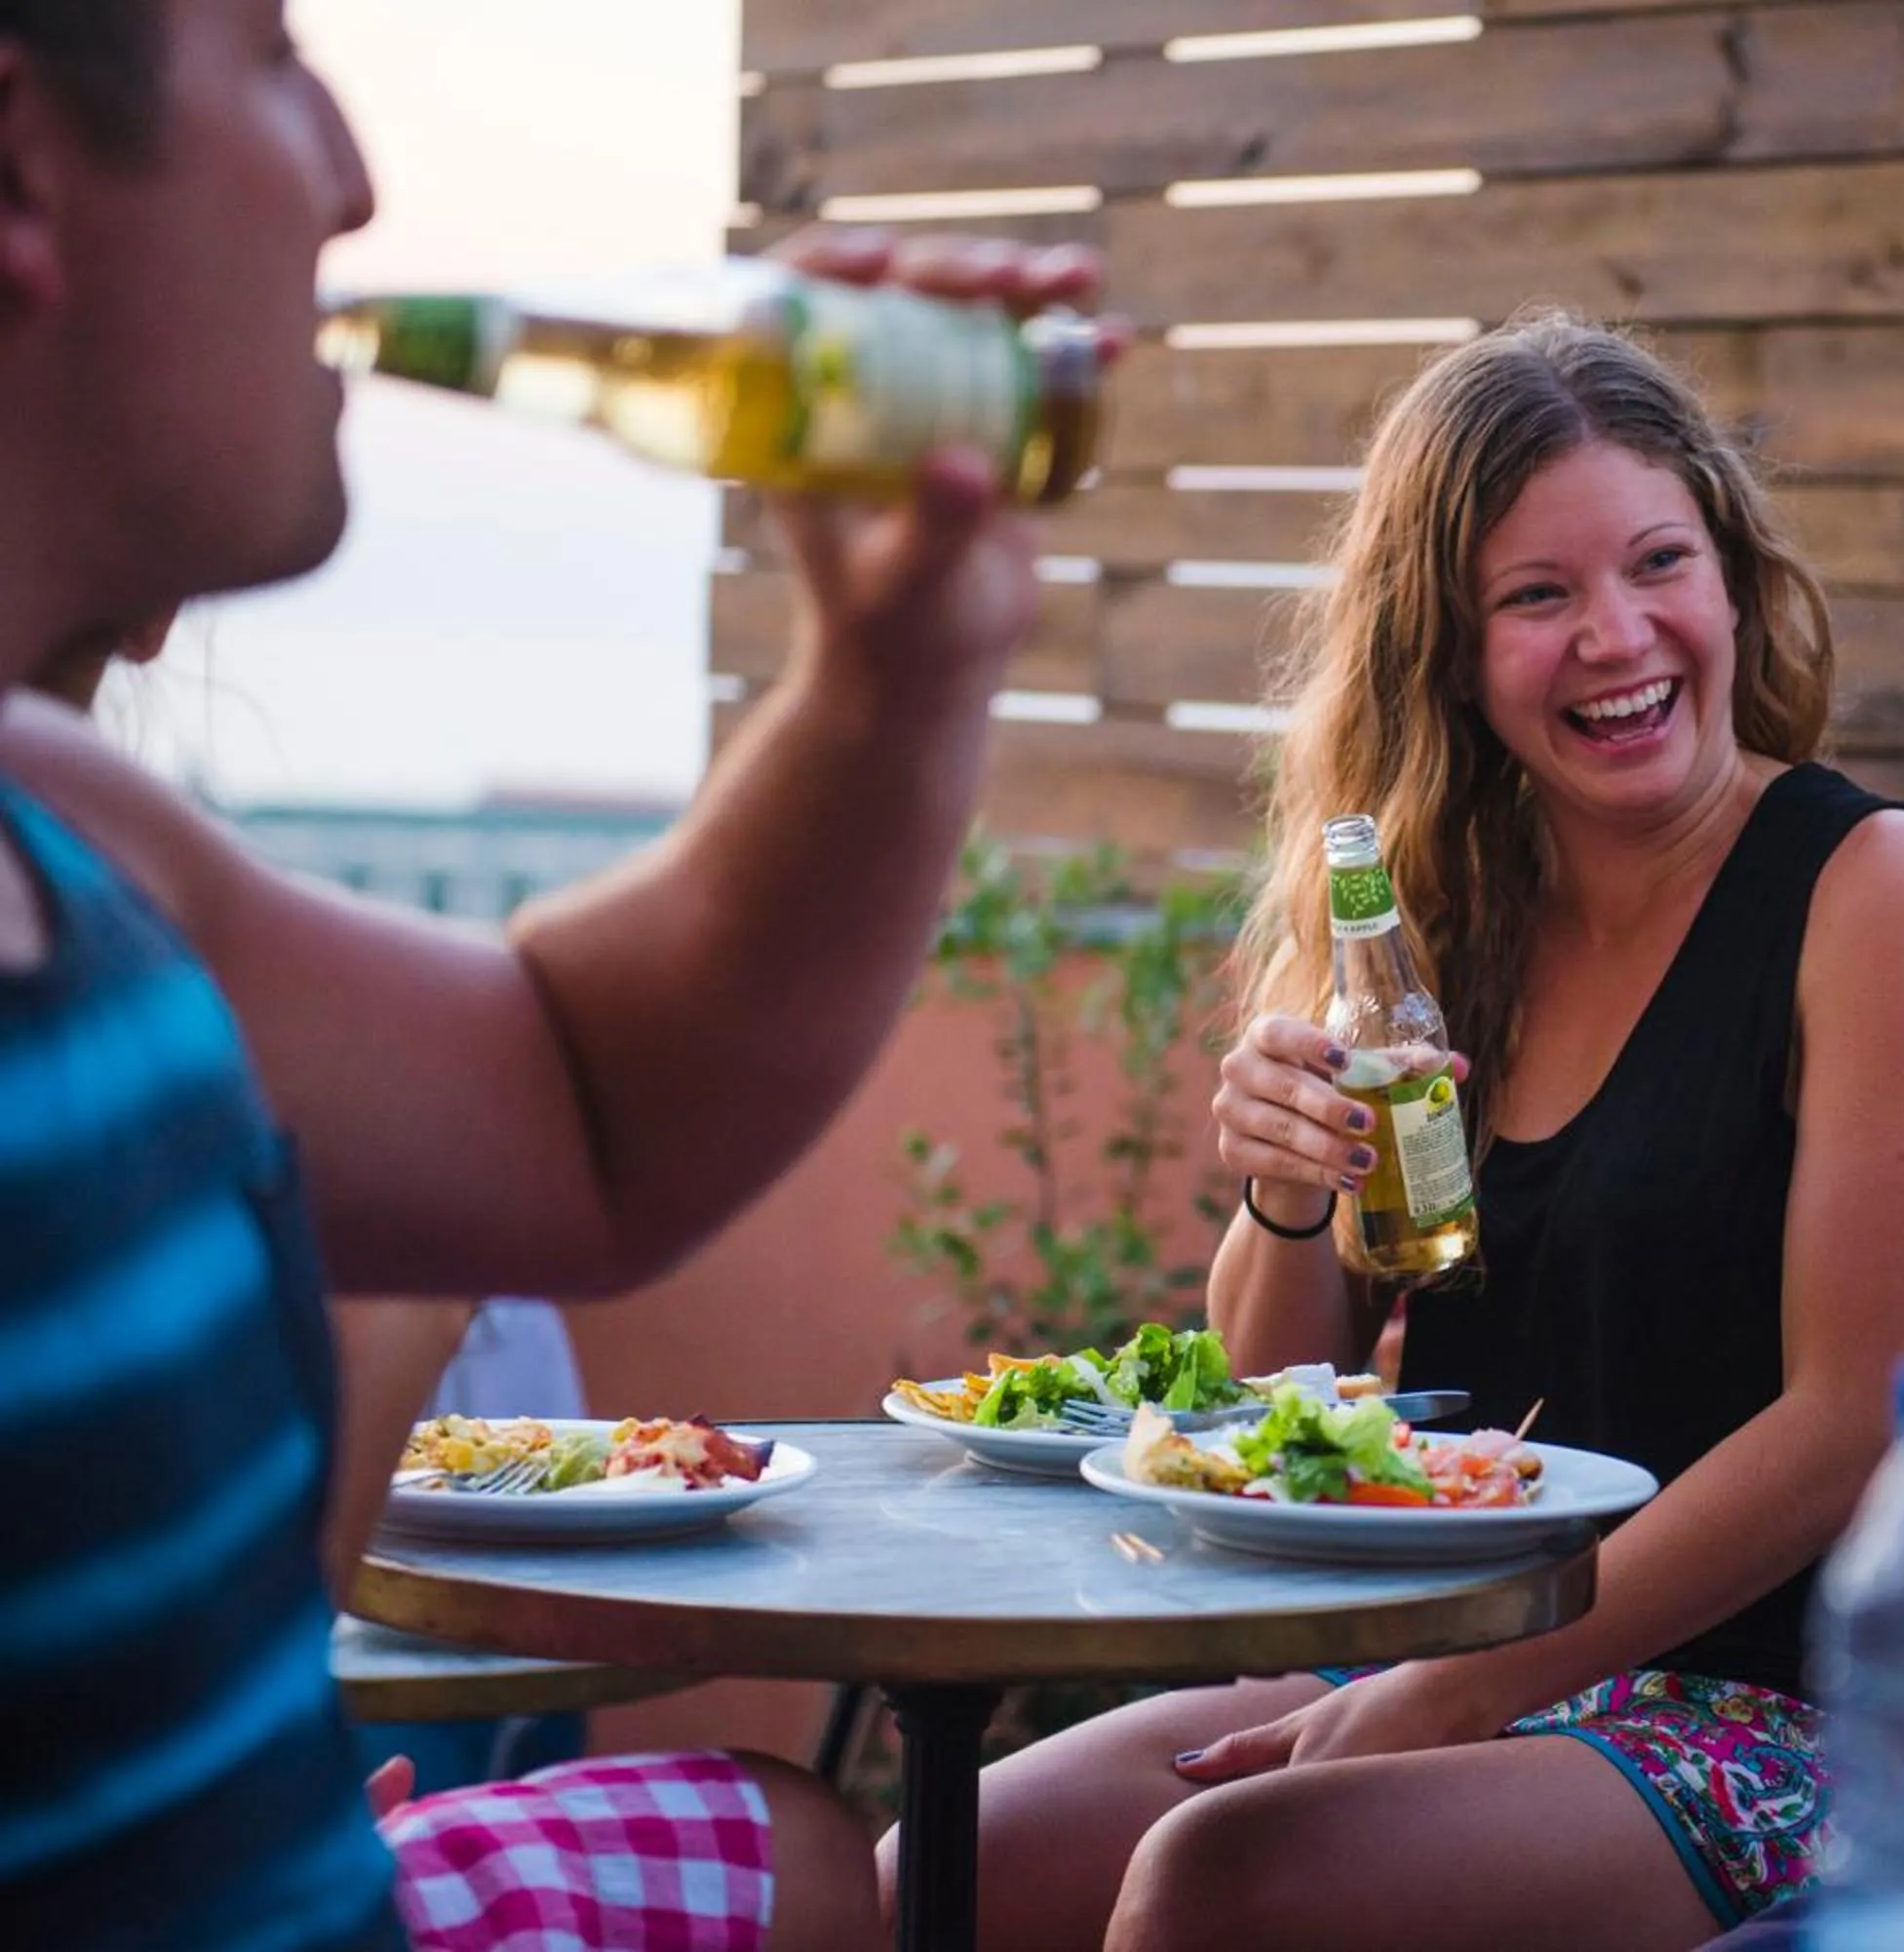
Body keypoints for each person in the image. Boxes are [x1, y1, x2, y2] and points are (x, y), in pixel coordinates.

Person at [0, 3, 1101, 1947]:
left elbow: (587, 1107)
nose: (353, 176)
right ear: (20, 170)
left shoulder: (74, 839)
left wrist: (895, 666)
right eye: (267, 57)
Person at [910, 311, 1904, 1951]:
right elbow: (1285, 1393)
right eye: (1538, 596)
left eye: (1659, 563)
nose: (1618, 635)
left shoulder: (1874, 891)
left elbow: (1854, 1421)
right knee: (928, 1880)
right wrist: (1286, 1197)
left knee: (1221, 1890)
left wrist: (1449, 1690)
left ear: (1730, 577)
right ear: (1446, 647)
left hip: (1782, 1716)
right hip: (1448, 1656)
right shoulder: (1427, 923)